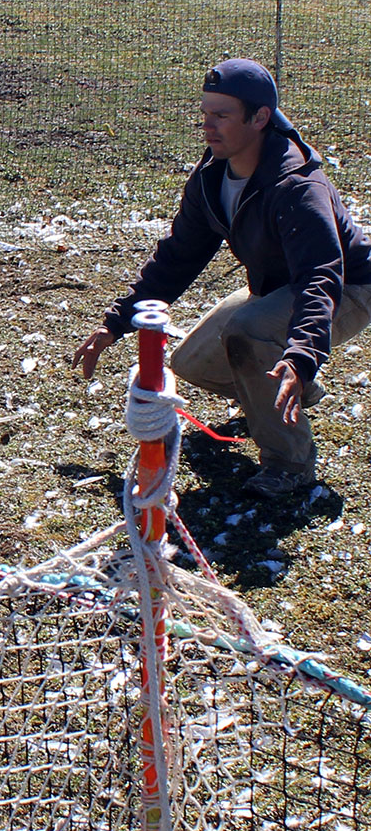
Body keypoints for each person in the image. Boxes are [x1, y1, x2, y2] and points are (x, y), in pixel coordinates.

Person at [72, 58, 371, 500]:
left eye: (222, 115)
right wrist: (115, 323)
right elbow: (178, 256)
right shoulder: (213, 173)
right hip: (275, 288)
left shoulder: (298, 187)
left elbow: (320, 276)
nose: (208, 126)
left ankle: (290, 464)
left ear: (260, 118)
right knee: (190, 362)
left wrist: (304, 351)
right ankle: (290, 390)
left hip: (347, 287)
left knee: (247, 335)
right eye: (205, 113)